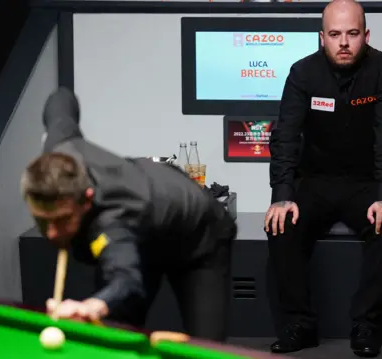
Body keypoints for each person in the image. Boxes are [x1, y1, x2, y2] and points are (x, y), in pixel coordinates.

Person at [21, 87, 237, 342]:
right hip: (144, 226)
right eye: (43, 221)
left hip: (198, 236)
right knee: (113, 333)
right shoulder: (59, 151)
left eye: (62, 220)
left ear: (87, 199)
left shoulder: (112, 218)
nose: (52, 233)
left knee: (206, 347)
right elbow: (61, 98)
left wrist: (92, 305)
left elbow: (126, 279)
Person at [265, 0, 382, 357]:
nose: (344, 42)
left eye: (352, 33)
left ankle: (367, 326)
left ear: (366, 35)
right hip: (316, 181)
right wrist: (282, 194)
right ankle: (299, 325)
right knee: (282, 225)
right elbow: (285, 137)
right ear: (322, 38)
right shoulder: (302, 73)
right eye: (335, 34)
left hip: (368, 181)